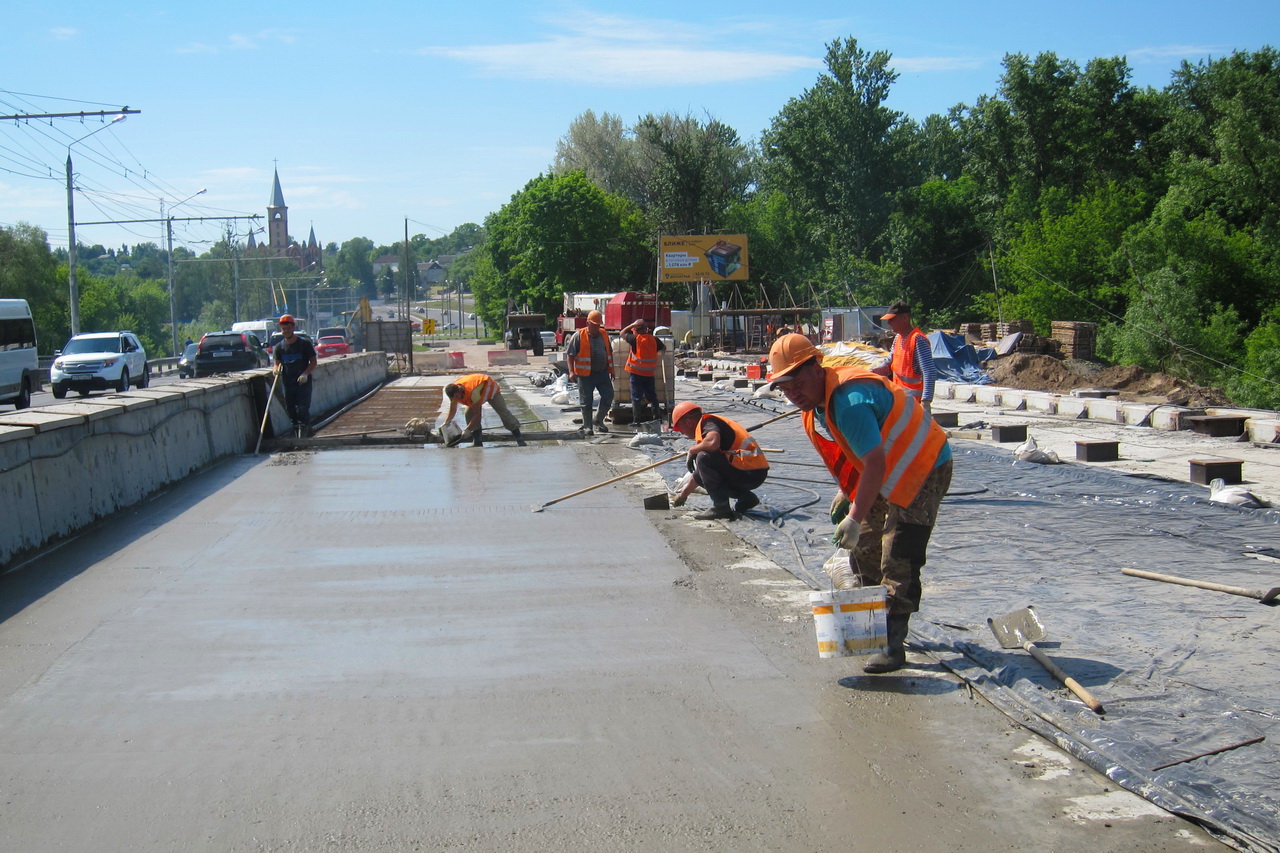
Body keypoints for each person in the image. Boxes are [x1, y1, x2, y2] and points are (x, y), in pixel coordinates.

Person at [766, 333, 952, 674]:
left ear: (817, 368)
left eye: (798, 383)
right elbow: (860, 455)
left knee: (899, 553)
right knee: (864, 545)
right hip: (887, 467)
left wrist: (854, 515)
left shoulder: (848, 401)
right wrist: (849, 494)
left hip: (924, 464)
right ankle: (872, 631)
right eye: (785, 388)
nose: (793, 394)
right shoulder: (816, 406)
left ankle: (893, 646)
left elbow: (876, 463)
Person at [669, 400, 770, 521]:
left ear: (689, 422)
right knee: (703, 470)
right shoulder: (707, 426)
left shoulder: (708, 422)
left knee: (703, 457)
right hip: (751, 472)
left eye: (681, 430)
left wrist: (692, 450)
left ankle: (721, 508)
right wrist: (682, 495)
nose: (683, 433)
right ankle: (747, 498)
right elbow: (699, 475)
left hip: (749, 472)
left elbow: (713, 443)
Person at [874, 301, 936, 415]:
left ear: (905, 317)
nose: (889, 323)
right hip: (900, 401)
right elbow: (889, 362)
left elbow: (929, 372)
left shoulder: (918, 340)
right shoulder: (898, 338)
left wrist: (926, 401)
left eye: (892, 319)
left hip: (914, 405)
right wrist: (871, 373)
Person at [564, 310, 614, 435]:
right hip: (585, 374)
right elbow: (570, 355)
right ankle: (587, 426)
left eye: (598, 325)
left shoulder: (604, 334)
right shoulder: (579, 335)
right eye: (594, 325)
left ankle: (598, 420)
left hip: (602, 373)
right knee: (586, 401)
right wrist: (571, 372)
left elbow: (609, 353)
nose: (597, 328)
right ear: (587, 323)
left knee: (608, 395)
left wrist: (611, 370)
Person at [441, 373, 527, 447]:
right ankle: (477, 442)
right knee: (468, 414)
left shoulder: (472, 392)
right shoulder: (453, 394)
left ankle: (519, 438)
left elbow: (477, 415)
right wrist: (446, 422)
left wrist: (467, 429)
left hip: (490, 389)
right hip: (477, 393)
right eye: (454, 398)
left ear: (459, 390)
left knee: (503, 412)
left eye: (456, 397)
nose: (456, 399)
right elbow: (453, 409)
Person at [272, 314, 317, 438]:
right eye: (283, 329)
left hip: (303, 383)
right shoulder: (279, 347)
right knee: (291, 410)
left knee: (302, 409)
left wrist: (305, 374)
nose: (286, 331)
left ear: (293, 328)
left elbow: (313, 362)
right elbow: (276, 364)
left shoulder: (304, 344)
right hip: (288, 383)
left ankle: (304, 432)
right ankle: (296, 429)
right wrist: (275, 371)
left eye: (288, 328)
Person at [621, 318, 666, 422]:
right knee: (652, 396)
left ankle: (636, 421)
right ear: (647, 329)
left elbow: (622, 332)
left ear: (635, 330)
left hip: (636, 374)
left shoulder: (635, 340)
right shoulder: (654, 339)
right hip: (649, 373)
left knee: (636, 398)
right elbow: (663, 348)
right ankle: (657, 418)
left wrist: (632, 323)